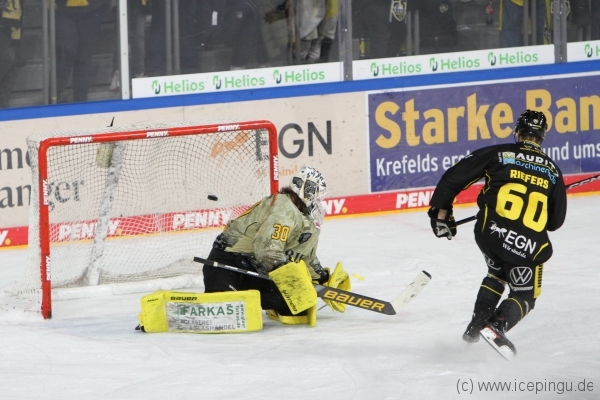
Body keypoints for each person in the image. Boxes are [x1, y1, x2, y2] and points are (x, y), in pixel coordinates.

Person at [427, 110, 567, 357]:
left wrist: (441, 213)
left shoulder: (499, 154)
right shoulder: (553, 171)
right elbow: (555, 222)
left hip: (489, 233)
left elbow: (453, 177)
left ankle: (477, 325)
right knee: (525, 295)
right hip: (526, 246)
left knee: (497, 273)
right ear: (542, 137)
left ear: (517, 132)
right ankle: (497, 325)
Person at [202, 166, 334, 325]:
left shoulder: (304, 220)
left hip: (256, 268)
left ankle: (266, 301)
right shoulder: (284, 209)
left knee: (297, 308)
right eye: (317, 196)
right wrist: (292, 281)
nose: (318, 202)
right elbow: (267, 250)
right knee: (221, 307)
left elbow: (303, 256)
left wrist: (323, 278)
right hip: (227, 263)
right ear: (307, 190)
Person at [55, 0, 108, 103]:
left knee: (84, 57)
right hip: (62, 8)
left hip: (92, 8)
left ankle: (81, 101)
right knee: (65, 55)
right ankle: (54, 98)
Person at [0, 0, 23, 108]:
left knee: (12, 67)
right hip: (6, 21)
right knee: (8, 57)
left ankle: (3, 107)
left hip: (14, 22)